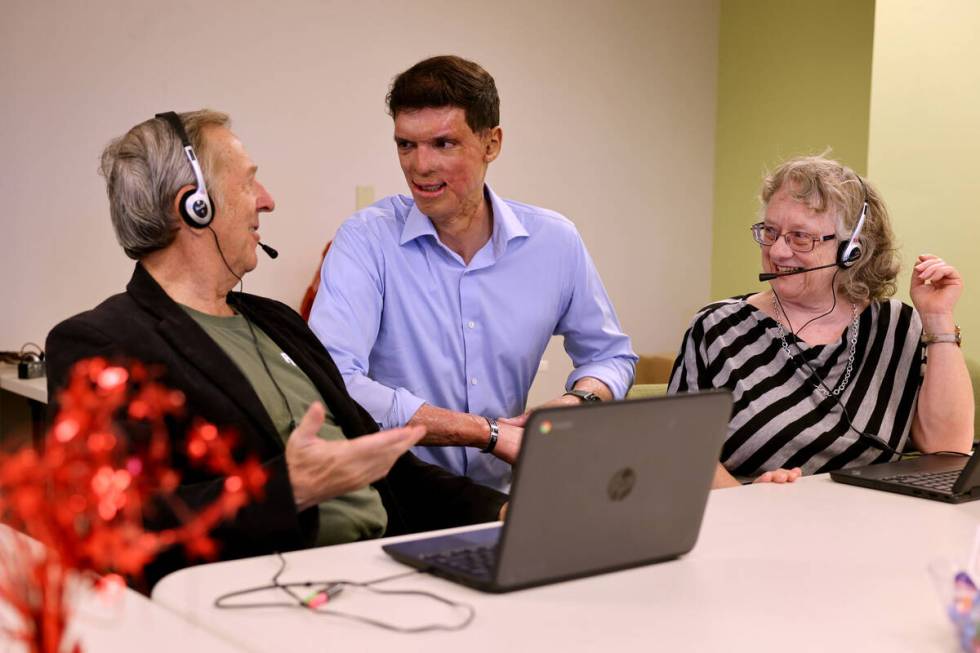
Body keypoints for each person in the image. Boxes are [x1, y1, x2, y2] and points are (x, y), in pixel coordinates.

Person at [45, 110, 507, 588]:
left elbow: (393, 472)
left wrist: (501, 513)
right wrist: (288, 487)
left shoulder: (277, 321)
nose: (267, 202)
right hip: (264, 596)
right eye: (248, 184)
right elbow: (111, 524)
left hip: (385, 574)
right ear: (194, 207)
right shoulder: (101, 342)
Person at [308, 56, 637, 491]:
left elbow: (610, 356)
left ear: (491, 144)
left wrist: (578, 400)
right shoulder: (366, 240)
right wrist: (484, 432)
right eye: (406, 145)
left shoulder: (554, 242)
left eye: (443, 144)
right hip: (392, 496)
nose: (419, 166)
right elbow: (333, 379)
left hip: (504, 495)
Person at [668, 155, 973, 488]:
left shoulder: (898, 325)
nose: (778, 252)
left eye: (801, 237)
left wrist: (937, 318)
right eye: (770, 232)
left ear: (851, 250)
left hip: (873, 524)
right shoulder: (718, 328)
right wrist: (746, 499)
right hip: (755, 525)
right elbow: (681, 453)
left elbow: (949, 449)